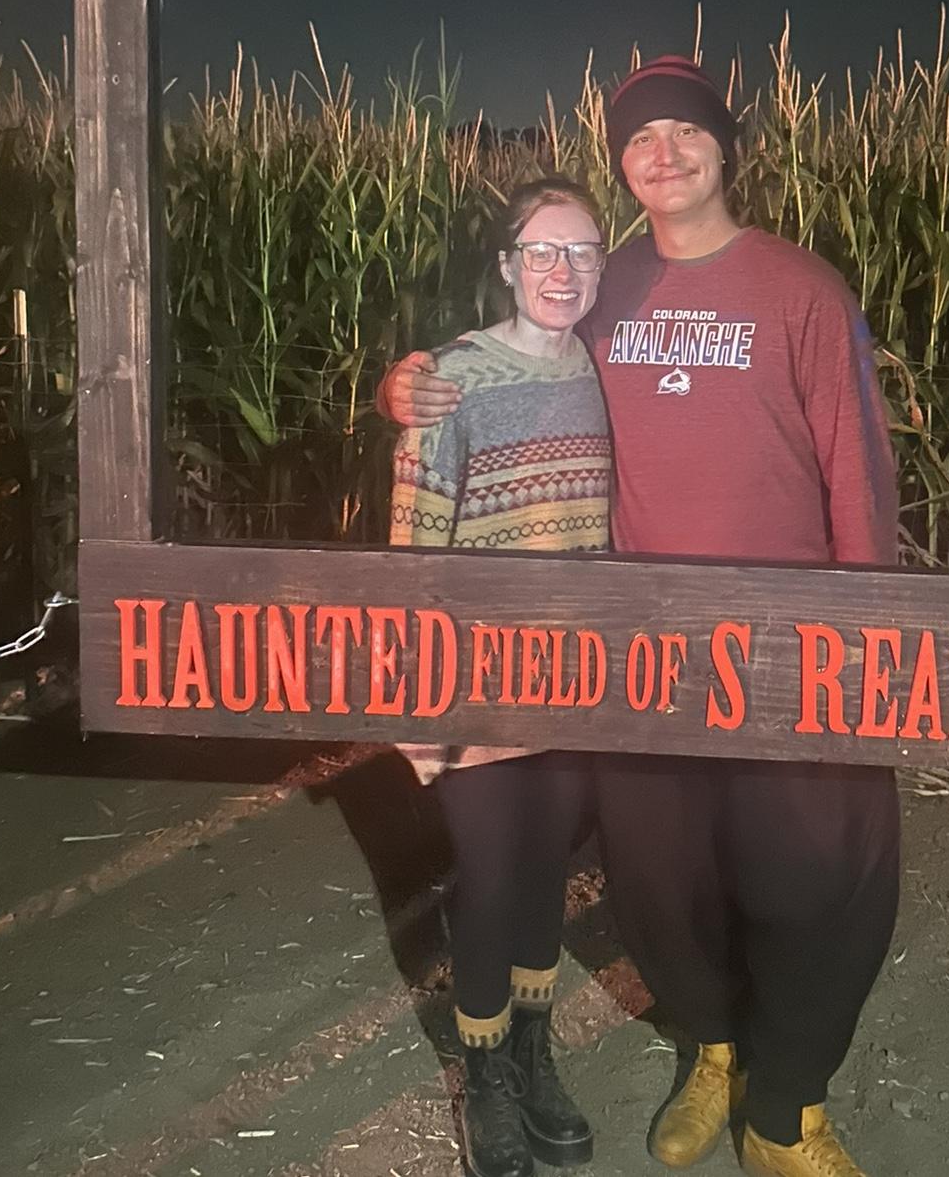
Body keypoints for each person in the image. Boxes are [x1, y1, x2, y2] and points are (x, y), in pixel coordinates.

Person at [381, 58, 902, 1177]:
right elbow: (505, 362)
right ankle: (713, 1050)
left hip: (786, 644)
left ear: (727, 148)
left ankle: (788, 1111)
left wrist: (864, 632)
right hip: (641, 652)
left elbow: (860, 472)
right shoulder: (602, 284)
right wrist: (407, 387)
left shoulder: (802, 289)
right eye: (638, 139)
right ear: (621, 165)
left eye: (685, 132)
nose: (663, 154)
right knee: (664, 881)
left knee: (815, 875)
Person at [389, 176, 611, 1177]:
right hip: (476, 677)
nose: (563, 271)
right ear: (507, 266)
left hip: (580, 676)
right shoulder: (451, 381)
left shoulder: (604, 371)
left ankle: (531, 1050)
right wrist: (413, 698)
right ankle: (485, 1078)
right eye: (543, 251)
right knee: (489, 875)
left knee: (546, 873)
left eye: (584, 251)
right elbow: (414, 547)